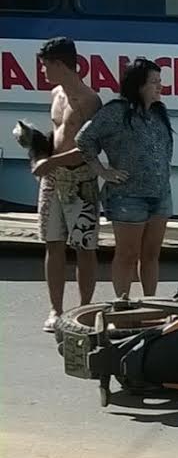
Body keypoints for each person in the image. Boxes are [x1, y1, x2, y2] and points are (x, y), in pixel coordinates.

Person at [75, 57, 174, 299]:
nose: (159, 86)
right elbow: (84, 139)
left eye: (160, 81)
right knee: (127, 255)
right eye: (154, 82)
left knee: (151, 255)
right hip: (128, 197)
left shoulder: (159, 113)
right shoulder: (116, 111)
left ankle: (151, 303)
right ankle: (123, 305)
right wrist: (103, 171)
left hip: (160, 195)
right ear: (138, 85)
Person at [28, 37, 104, 332]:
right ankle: (55, 310)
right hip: (52, 179)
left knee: (84, 247)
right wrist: (39, 147)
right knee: (53, 243)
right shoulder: (56, 93)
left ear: (61, 64)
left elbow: (90, 148)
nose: (44, 72)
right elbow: (57, 133)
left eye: (47, 66)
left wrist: (53, 162)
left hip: (80, 180)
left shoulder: (89, 100)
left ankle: (84, 310)